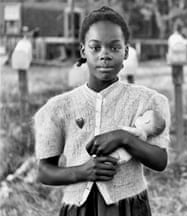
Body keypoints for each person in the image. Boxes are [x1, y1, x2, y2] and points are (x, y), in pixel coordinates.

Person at [34, 6, 170, 216]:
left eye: (114, 48)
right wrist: (82, 171)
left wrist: (124, 137)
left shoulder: (148, 101)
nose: (104, 55)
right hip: (77, 209)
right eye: (95, 47)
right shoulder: (58, 108)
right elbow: (44, 171)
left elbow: (160, 161)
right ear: (83, 51)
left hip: (129, 207)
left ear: (126, 51)